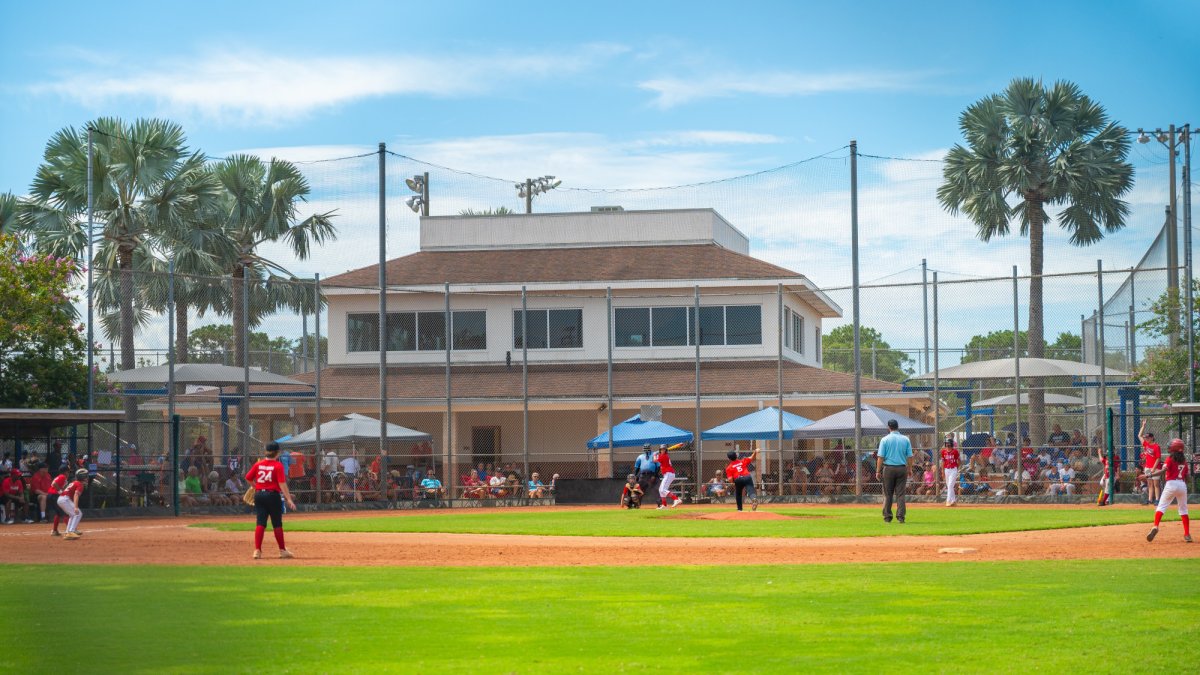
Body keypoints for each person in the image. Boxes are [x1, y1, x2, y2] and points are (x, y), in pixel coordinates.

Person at [245, 442, 297, 559]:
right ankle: (282, 550)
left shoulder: (259, 464)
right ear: (277, 453)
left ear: (266, 452)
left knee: (260, 523)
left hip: (259, 495)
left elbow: (248, 477)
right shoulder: (278, 466)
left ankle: (257, 551)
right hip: (273, 496)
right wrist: (289, 499)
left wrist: (256, 486)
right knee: (277, 524)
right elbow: (282, 484)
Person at [1145, 439, 1191, 543]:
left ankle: (1155, 526)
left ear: (1173, 449)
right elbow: (1187, 477)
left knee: (1161, 507)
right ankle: (1187, 534)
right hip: (1182, 485)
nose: (1169, 448)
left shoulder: (1170, 459)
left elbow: (1163, 471)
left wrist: (1149, 475)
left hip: (1171, 484)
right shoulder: (1184, 461)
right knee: (1183, 510)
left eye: (1171, 447)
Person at [875, 419, 913, 524]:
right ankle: (901, 517)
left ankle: (887, 517)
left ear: (889, 427)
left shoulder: (885, 439)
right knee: (900, 494)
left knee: (888, 494)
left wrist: (878, 471)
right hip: (902, 468)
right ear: (898, 427)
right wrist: (910, 468)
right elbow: (910, 456)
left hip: (888, 468)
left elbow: (880, 457)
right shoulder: (905, 439)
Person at [57, 469, 88, 540]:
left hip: (61, 499)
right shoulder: (80, 484)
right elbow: (76, 495)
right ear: (82, 477)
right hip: (65, 499)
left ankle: (68, 531)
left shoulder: (75, 482)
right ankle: (71, 531)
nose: (87, 478)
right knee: (78, 513)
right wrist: (76, 507)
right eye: (86, 476)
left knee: (72, 515)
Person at [1139, 422, 1162, 506]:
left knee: (1156, 484)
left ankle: (1157, 500)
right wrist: (1143, 426)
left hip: (1155, 468)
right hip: (1148, 467)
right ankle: (1149, 500)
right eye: (1146, 438)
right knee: (1150, 484)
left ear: (1152, 438)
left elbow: (1158, 458)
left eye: (1148, 437)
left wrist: (1154, 468)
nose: (1146, 439)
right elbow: (1139, 436)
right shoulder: (1146, 444)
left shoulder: (1156, 446)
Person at [655, 443, 683, 509]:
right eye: (661, 449)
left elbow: (654, 460)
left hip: (669, 474)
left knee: (663, 489)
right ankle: (664, 505)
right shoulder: (663, 455)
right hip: (667, 474)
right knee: (660, 490)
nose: (662, 450)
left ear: (665, 450)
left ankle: (676, 499)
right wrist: (657, 454)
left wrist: (654, 455)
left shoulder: (663, 456)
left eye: (664, 449)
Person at [939, 437, 961, 507]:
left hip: (953, 469)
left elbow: (959, 461)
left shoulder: (955, 451)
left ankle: (948, 501)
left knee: (951, 485)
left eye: (948, 443)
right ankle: (953, 501)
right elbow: (943, 462)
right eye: (946, 443)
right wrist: (942, 471)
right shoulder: (943, 452)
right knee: (949, 486)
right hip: (946, 470)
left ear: (951, 444)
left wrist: (956, 468)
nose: (947, 445)